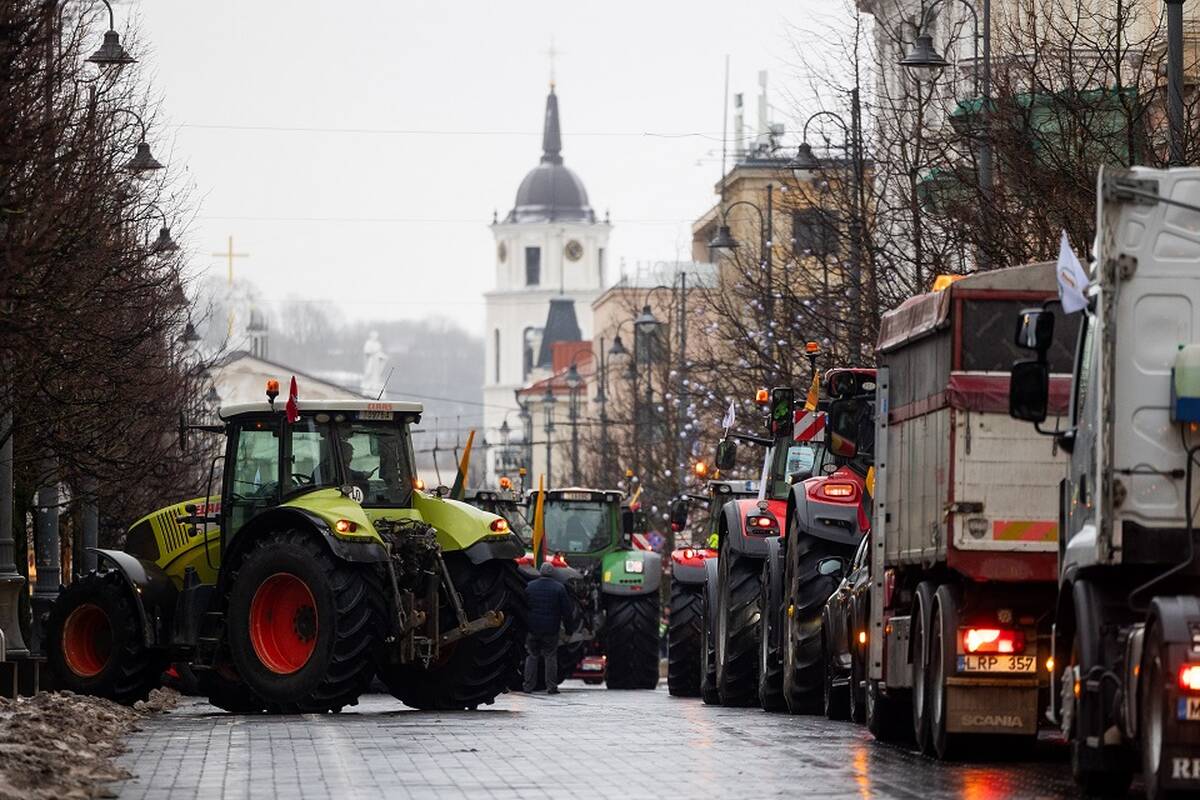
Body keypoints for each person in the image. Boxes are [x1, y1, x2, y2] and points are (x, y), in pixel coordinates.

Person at [523, 561, 572, 694]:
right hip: (551, 630)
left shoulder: (529, 587)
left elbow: (523, 607)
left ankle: (528, 686)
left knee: (532, 656)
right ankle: (551, 687)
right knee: (550, 657)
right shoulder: (559, 588)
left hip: (532, 629)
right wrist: (569, 630)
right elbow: (567, 611)